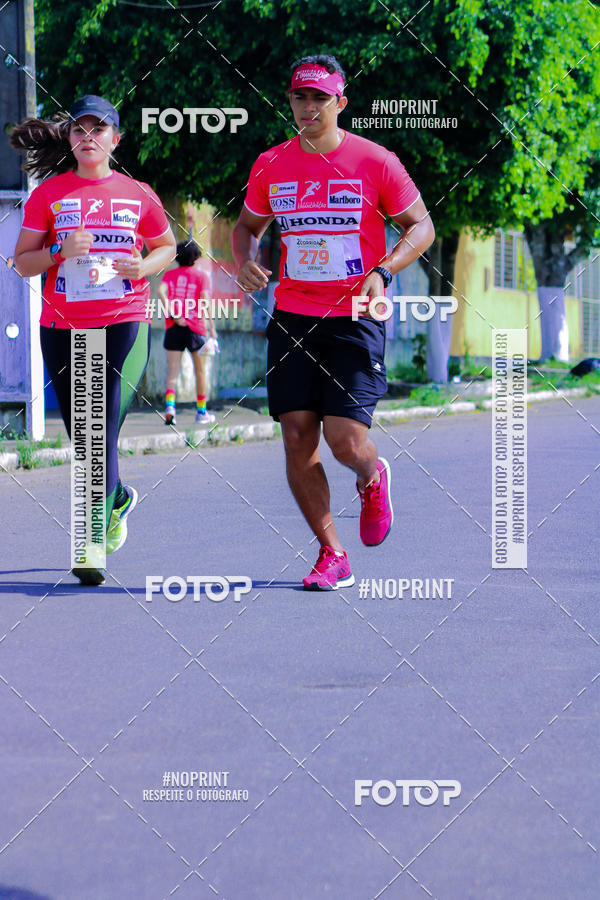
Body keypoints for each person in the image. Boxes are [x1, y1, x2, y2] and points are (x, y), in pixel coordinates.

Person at [233, 55, 435, 590]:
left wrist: (384, 272)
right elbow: (247, 225)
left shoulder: (376, 160)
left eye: (320, 98)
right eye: (300, 97)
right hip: (293, 315)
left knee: (345, 439)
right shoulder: (270, 164)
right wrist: (246, 258)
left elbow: (421, 227)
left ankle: (371, 475)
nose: (308, 107)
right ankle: (332, 553)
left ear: (340, 103)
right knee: (298, 437)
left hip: (354, 315)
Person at [12, 95, 176, 586]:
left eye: (99, 130)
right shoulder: (49, 196)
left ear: (115, 139)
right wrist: (59, 251)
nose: (89, 137)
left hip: (124, 321)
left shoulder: (137, 193)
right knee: (82, 434)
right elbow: (22, 262)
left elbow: (166, 246)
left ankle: (87, 543)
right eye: (81, 129)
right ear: (70, 137)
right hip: (64, 327)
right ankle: (118, 497)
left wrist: (141, 266)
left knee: (96, 430)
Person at [158, 240, 217, 426]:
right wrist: (212, 328)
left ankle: (170, 408)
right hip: (196, 329)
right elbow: (206, 301)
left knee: (173, 372)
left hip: (173, 328)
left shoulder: (169, 275)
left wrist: (173, 314)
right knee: (200, 372)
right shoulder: (201, 276)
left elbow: (160, 292)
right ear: (196, 257)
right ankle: (201, 412)